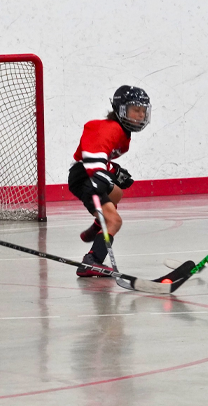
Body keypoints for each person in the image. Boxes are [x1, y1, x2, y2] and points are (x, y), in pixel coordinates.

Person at [67, 85, 150, 277]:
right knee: (114, 221)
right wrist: (102, 174)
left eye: (142, 111)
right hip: (85, 177)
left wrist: (115, 171)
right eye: (135, 110)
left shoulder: (121, 132)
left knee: (117, 192)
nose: (139, 115)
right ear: (121, 110)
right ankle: (92, 260)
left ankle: (97, 226)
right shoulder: (108, 128)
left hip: (89, 175)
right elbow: (91, 155)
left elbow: (101, 158)